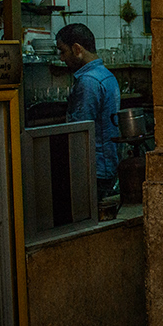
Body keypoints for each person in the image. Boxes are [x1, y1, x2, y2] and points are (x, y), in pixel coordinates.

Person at [56, 23, 121, 200]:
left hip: (93, 168)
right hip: (108, 164)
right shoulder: (106, 74)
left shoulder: (89, 81)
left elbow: (79, 130)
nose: (61, 58)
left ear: (77, 49)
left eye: (63, 51)